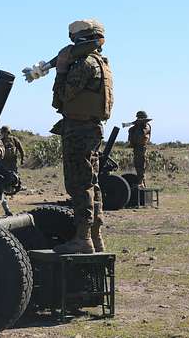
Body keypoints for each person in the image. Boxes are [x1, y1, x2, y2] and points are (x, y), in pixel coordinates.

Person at [50, 19, 113, 254]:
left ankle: (83, 238)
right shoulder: (102, 63)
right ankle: (95, 237)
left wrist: (62, 70)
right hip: (91, 129)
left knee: (79, 183)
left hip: (78, 131)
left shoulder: (84, 64)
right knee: (92, 183)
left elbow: (60, 98)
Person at [128, 111, 152, 187]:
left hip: (141, 148)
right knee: (138, 166)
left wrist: (137, 125)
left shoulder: (145, 126)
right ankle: (141, 183)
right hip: (136, 148)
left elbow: (141, 135)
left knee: (141, 166)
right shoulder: (136, 127)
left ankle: (141, 182)